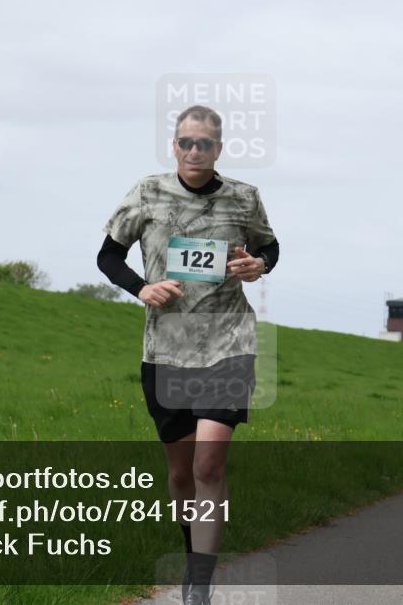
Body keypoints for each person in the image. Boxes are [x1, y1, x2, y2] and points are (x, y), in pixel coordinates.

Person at [97, 105, 278, 605]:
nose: (194, 151)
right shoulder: (147, 193)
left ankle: (199, 583)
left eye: (204, 144)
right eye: (185, 143)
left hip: (228, 343)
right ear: (174, 146)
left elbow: (270, 248)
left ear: (219, 149)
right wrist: (142, 288)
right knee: (180, 475)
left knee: (209, 467)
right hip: (167, 350)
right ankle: (192, 552)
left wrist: (257, 265)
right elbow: (108, 255)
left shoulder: (244, 197)